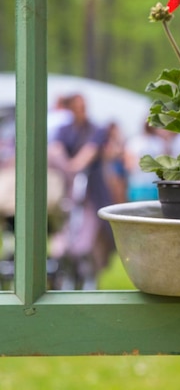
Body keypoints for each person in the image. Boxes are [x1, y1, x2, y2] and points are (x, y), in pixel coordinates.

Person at [48, 94, 115, 289]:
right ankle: (68, 277)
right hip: (69, 192)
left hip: (91, 191)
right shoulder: (64, 130)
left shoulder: (96, 129)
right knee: (66, 238)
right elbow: (56, 149)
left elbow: (89, 153)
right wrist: (67, 168)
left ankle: (90, 280)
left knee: (90, 239)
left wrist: (71, 167)